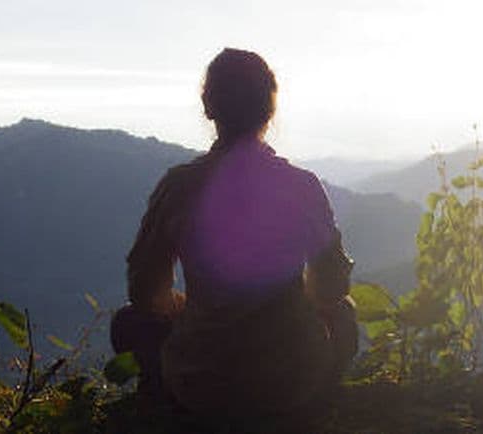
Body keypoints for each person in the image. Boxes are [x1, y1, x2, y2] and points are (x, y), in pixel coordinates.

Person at [111, 48, 357, 429]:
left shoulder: (178, 187)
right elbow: (331, 286)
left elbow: (145, 291)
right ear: (269, 111)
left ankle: (162, 404)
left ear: (209, 107)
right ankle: (319, 406)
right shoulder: (302, 187)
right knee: (343, 314)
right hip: (290, 384)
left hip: (201, 386)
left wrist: (192, 307)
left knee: (128, 322)